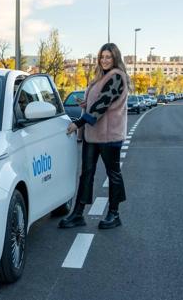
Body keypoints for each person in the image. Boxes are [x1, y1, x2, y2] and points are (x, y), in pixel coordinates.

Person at [59, 43, 129, 230]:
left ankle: (114, 214)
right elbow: (97, 102)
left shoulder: (117, 76)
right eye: (102, 57)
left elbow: (103, 105)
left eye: (109, 57)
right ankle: (78, 214)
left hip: (110, 136)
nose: (104, 60)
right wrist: (86, 103)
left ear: (115, 58)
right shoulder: (100, 77)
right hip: (93, 134)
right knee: (86, 174)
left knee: (113, 174)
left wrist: (77, 124)